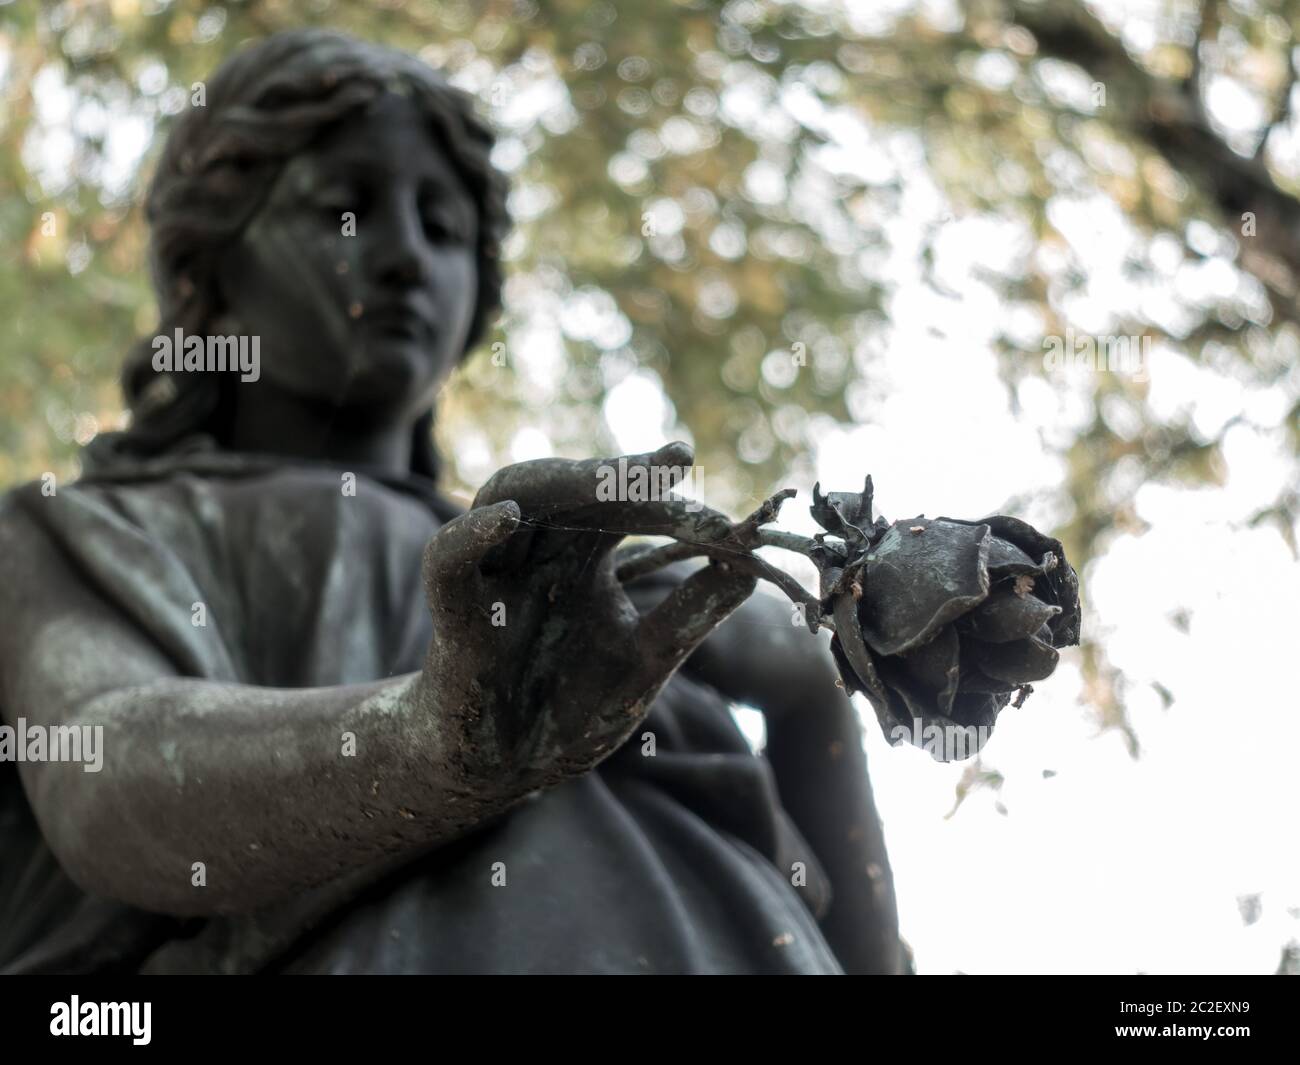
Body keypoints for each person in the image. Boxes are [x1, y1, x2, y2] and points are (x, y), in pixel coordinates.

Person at [0, 29, 905, 974]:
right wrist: (442, 739)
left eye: (442, 227)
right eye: (344, 208)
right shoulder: (84, 527)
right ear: (211, 270)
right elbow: (105, 775)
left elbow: (809, 711)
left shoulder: (571, 563)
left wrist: (816, 656)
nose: (401, 255)